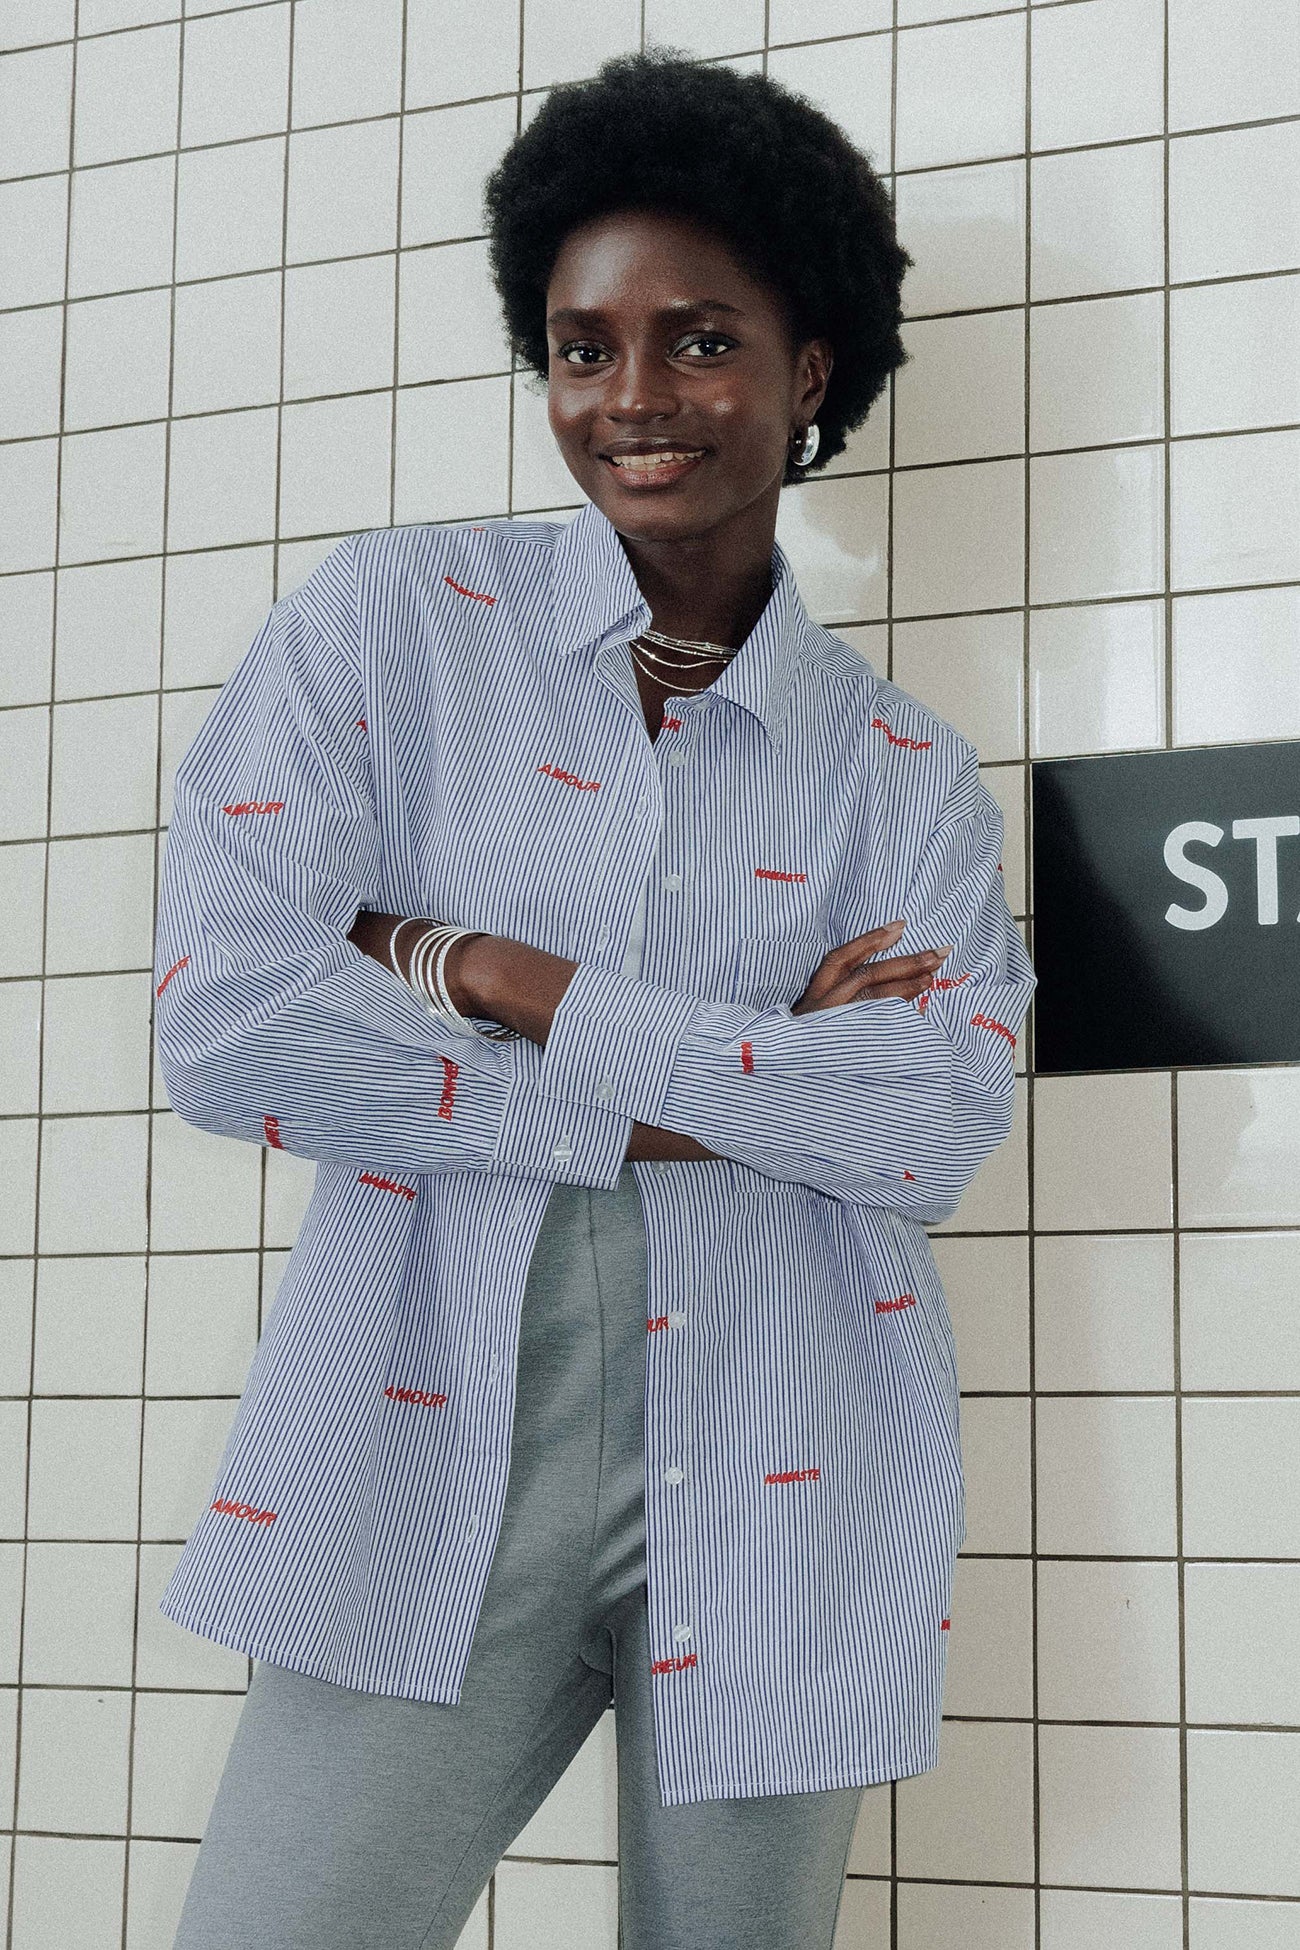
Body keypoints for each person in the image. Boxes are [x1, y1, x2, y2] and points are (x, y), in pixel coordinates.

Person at [160, 46, 1036, 1950]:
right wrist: (757, 1069)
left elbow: (932, 1120)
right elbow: (230, 1021)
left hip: (795, 1447)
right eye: (583, 345)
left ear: (810, 375)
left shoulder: (893, 768)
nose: (633, 398)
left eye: (702, 338)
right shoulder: (388, 635)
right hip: (418, 1420)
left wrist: (486, 972)